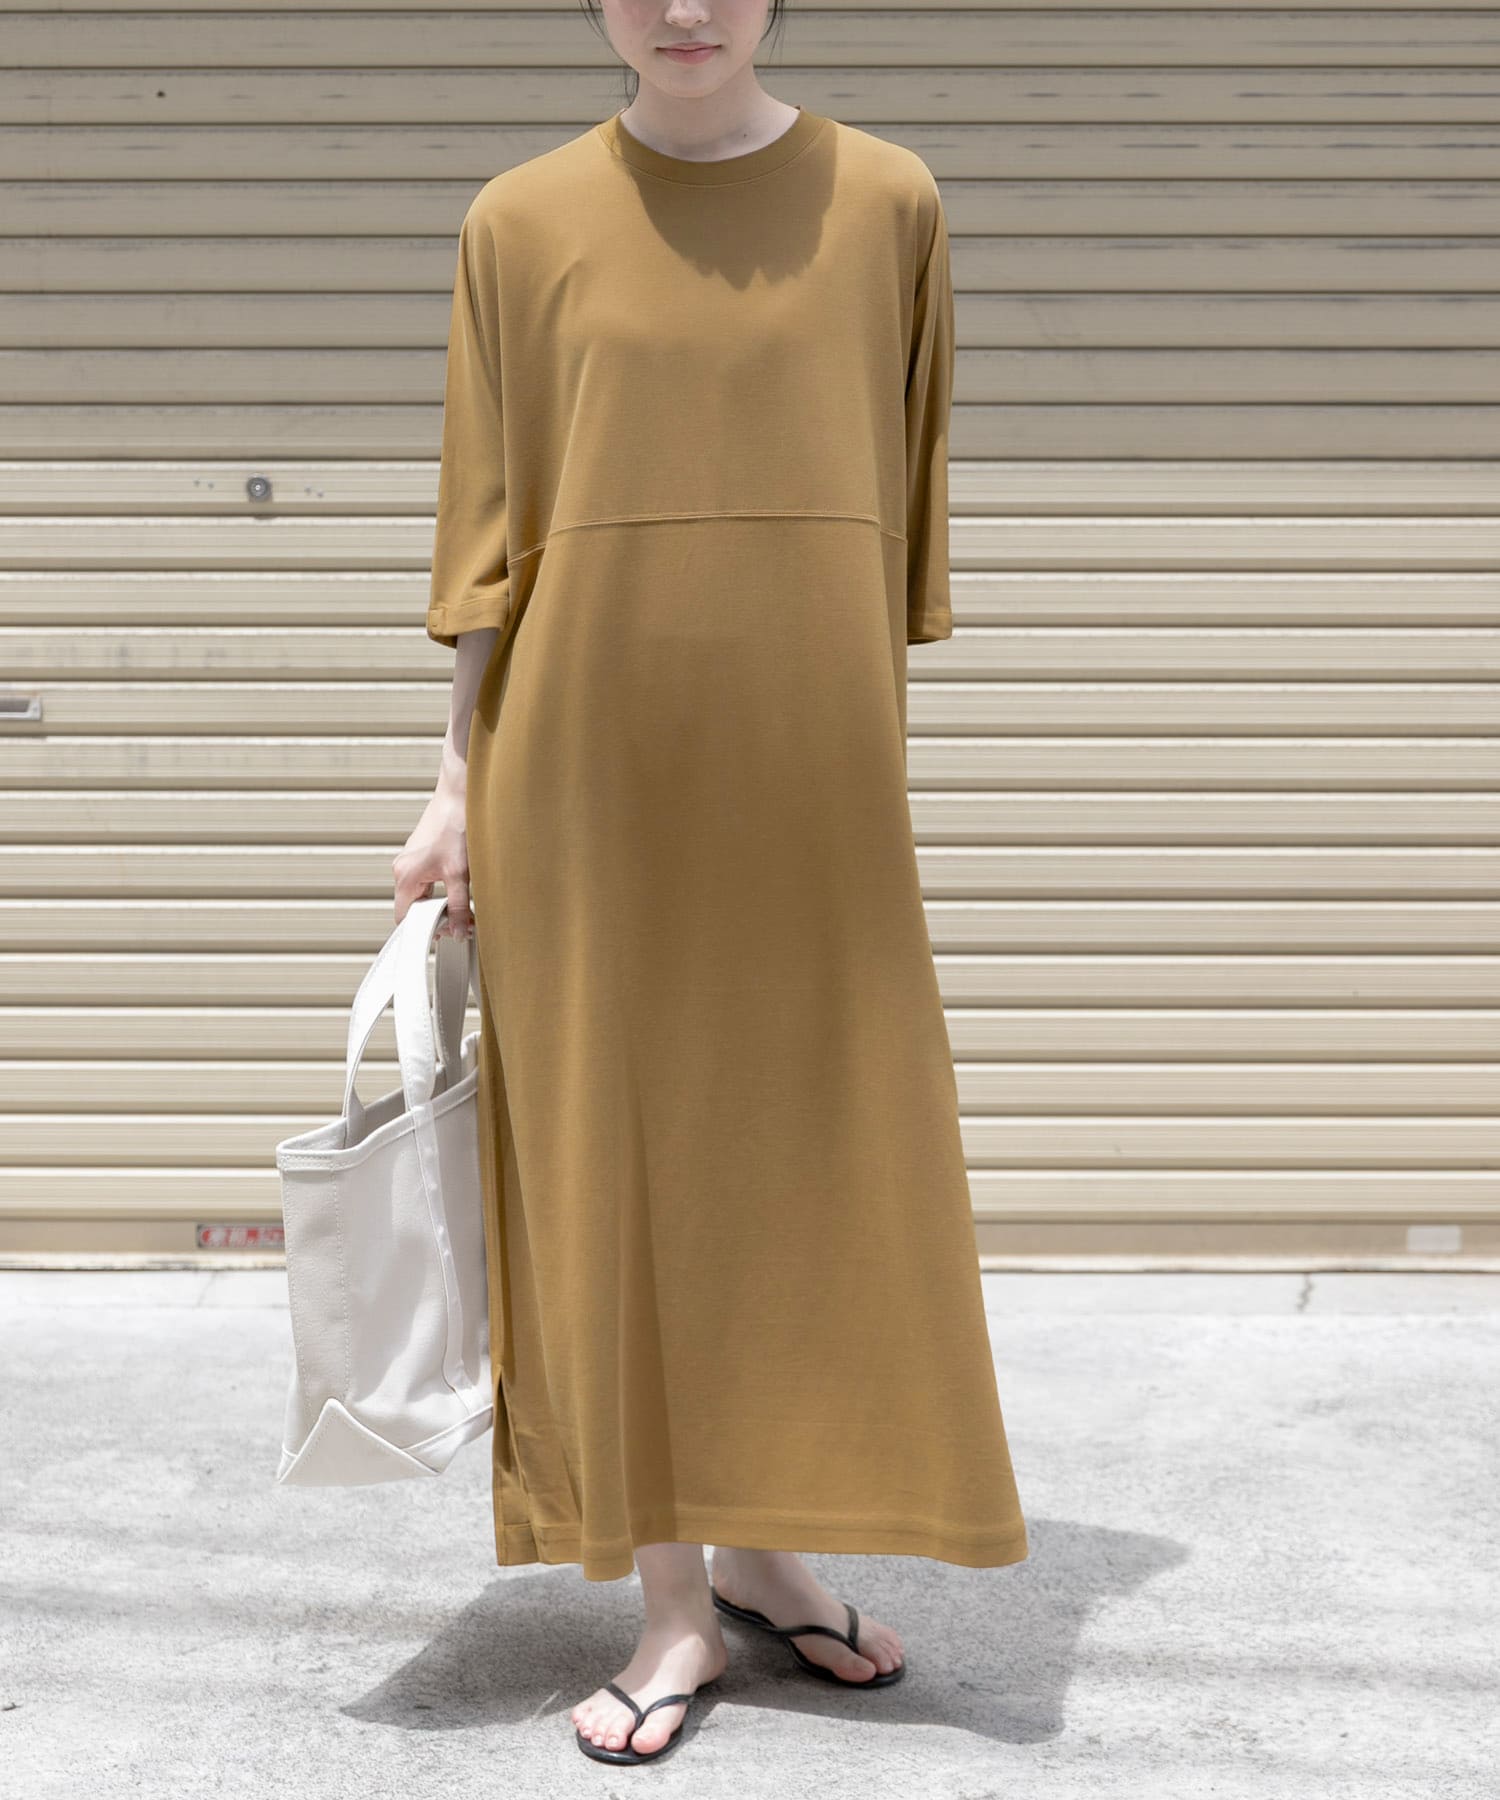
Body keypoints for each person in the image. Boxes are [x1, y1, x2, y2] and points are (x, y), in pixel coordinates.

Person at [392, 0, 1028, 1768]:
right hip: (585, 762)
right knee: (620, 1167)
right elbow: (487, 533)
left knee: (808, 1148)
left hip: (810, 758)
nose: (683, 9)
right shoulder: (518, 221)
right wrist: (455, 784)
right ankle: (675, 1602)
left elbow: (900, 507)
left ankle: (767, 1548)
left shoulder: (889, 202)